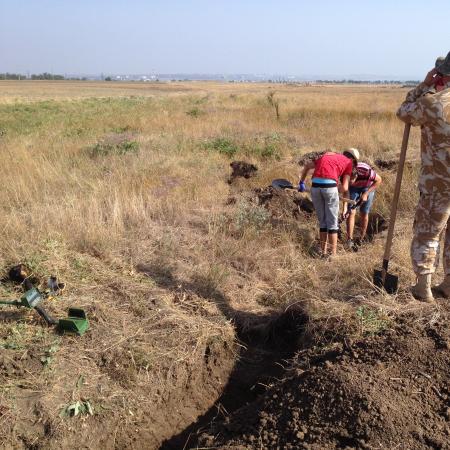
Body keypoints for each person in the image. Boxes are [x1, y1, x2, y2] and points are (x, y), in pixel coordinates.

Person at [396, 51, 450, 301]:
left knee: (428, 232)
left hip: (438, 183)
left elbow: (404, 111)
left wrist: (426, 84)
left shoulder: (433, 103)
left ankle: (423, 287)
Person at [298, 148, 359, 256]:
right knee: (332, 224)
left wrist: (301, 183)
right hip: (330, 188)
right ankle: (333, 255)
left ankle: (323, 252)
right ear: (353, 160)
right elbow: (345, 188)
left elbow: (307, 166)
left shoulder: (327, 155)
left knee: (323, 223)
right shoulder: (349, 162)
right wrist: (334, 190)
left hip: (315, 187)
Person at [345, 160, 382, 250]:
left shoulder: (366, 171)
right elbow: (344, 189)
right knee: (351, 212)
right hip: (354, 189)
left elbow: (379, 180)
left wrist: (366, 193)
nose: (350, 182)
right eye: (348, 180)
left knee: (364, 212)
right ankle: (349, 240)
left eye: (351, 180)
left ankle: (361, 239)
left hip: (367, 186)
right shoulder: (345, 173)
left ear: (356, 175)